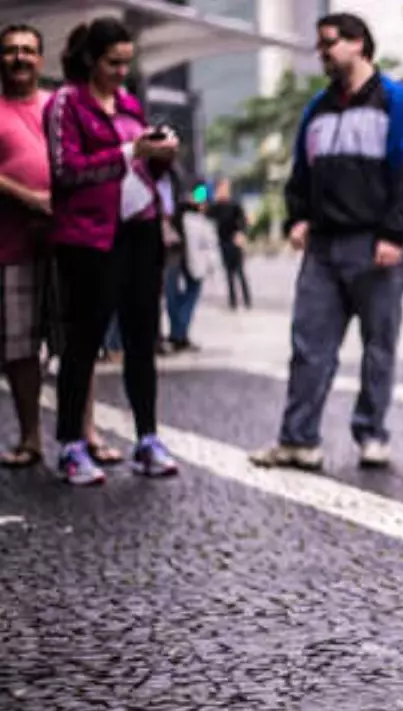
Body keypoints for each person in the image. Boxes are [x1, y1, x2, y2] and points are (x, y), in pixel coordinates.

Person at [250, 13, 403, 471]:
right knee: (309, 344)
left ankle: (372, 433)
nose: (323, 52)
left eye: (330, 43)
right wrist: (298, 218)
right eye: (321, 45)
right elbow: (301, 174)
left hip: (375, 245)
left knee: (378, 345)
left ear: (358, 45)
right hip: (324, 249)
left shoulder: (396, 100)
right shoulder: (317, 108)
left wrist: (394, 233)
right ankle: (298, 439)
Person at [45, 17, 181, 485]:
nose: (122, 71)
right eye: (112, 63)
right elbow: (66, 171)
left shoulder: (128, 104)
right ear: (90, 60)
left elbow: (143, 169)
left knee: (142, 340)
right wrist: (128, 152)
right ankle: (70, 445)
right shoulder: (68, 103)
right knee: (84, 344)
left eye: (127, 62)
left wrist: (159, 158)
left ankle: (147, 438)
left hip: (139, 231)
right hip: (88, 237)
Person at [0, 23, 52, 468]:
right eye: (10, 50)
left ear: (41, 59)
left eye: (27, 51)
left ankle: (83, 436)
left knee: (74, 342)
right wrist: (29, 197)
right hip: (10, 245)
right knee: (18, 347)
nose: (19, 58)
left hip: (63, 242)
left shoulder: (58, 107)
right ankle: (31, 436)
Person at [160, 165, 202, 352]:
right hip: (165, 244)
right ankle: (178, 334)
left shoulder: (176, 173)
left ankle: (180, 332)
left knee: (191, 284)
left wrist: (198, 200)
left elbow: (200, 190)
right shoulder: (150, 172)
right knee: (170, 291)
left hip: (183, 242)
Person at [207, 178, 250, 309]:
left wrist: (241, 234)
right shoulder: (215, 207)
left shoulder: (235, 204)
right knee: (228, 273)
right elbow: (206, 216)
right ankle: (233, 301)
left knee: (239, 272)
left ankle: (247, 300)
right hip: (223, 241)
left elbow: (243, 221)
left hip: (235, 240)